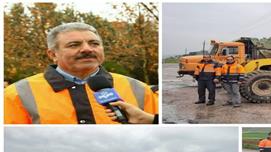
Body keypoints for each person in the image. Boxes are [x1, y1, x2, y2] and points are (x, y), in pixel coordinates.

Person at [4, 22, 158, 124]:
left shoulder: (139, 89)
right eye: (74, 45)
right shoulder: (16, 94)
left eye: (94, 43)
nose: (87, 49)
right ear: (52, 54)